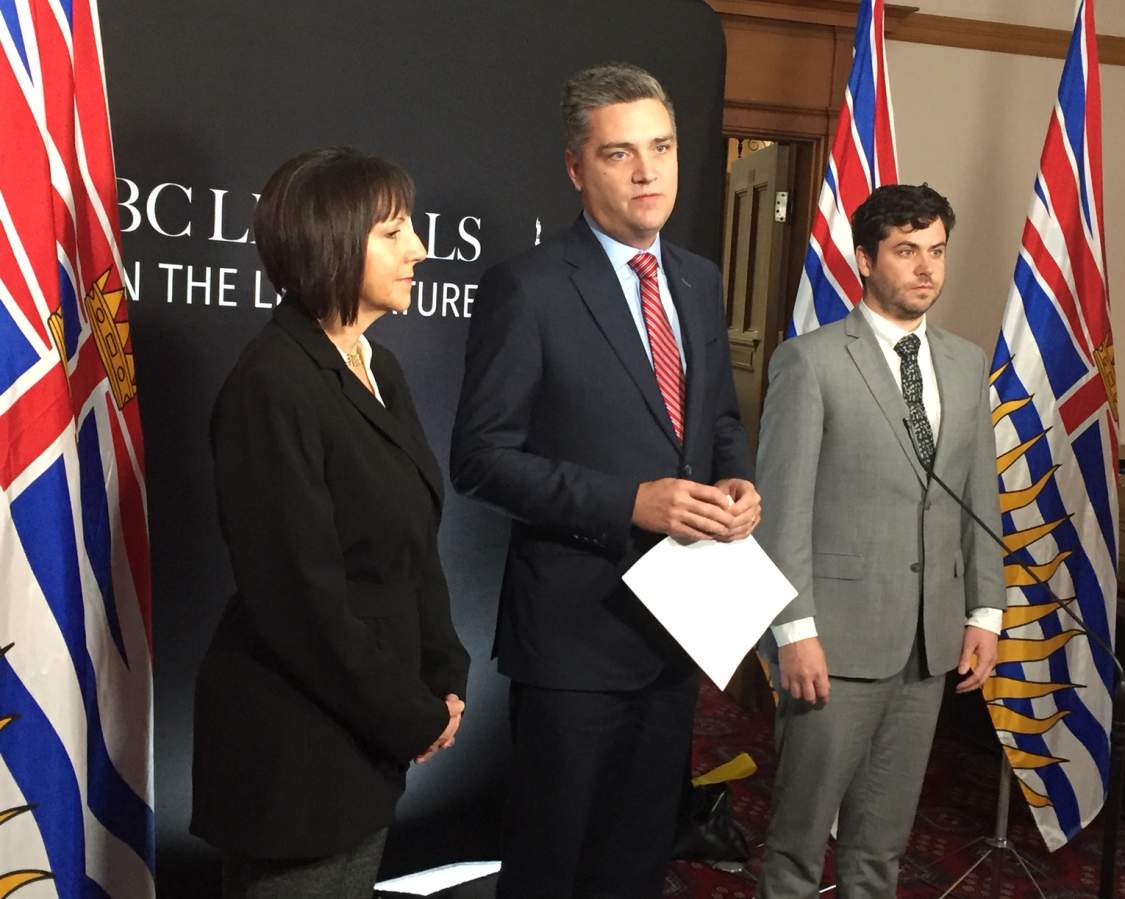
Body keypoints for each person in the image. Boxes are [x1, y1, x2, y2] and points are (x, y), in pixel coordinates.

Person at [450, 62, 759, 898]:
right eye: (621, 154)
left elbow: (719, 420)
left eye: (661, 147)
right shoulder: (530, 286)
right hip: (574, 637)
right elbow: (479, 456)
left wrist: (739, 482)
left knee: (636, 863)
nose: (649, 171)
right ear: (577, 167)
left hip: (678, 630)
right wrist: (631, 503)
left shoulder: (698, 279)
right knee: (554, 865)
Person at [191, 147, 469, 898]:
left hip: (363, 739)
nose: (419, 248)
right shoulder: (272, 384)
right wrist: (410, 714)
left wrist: (444, 676)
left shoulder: (380, 366)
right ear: (331, 241)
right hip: (295, 754)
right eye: (393, 231)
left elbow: (412, 544)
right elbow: (300, 601)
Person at [755, 183, 1007, 898]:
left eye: (936, 252)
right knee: (799, 847)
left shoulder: (965, 362)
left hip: (929, 643)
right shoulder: (810, 362)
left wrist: (985, 611)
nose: (926, 269)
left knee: (881, 849)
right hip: (833, 640)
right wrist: (793, 631)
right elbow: (783, 514)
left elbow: (979, 497)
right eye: (906, 252)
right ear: (865, 258)